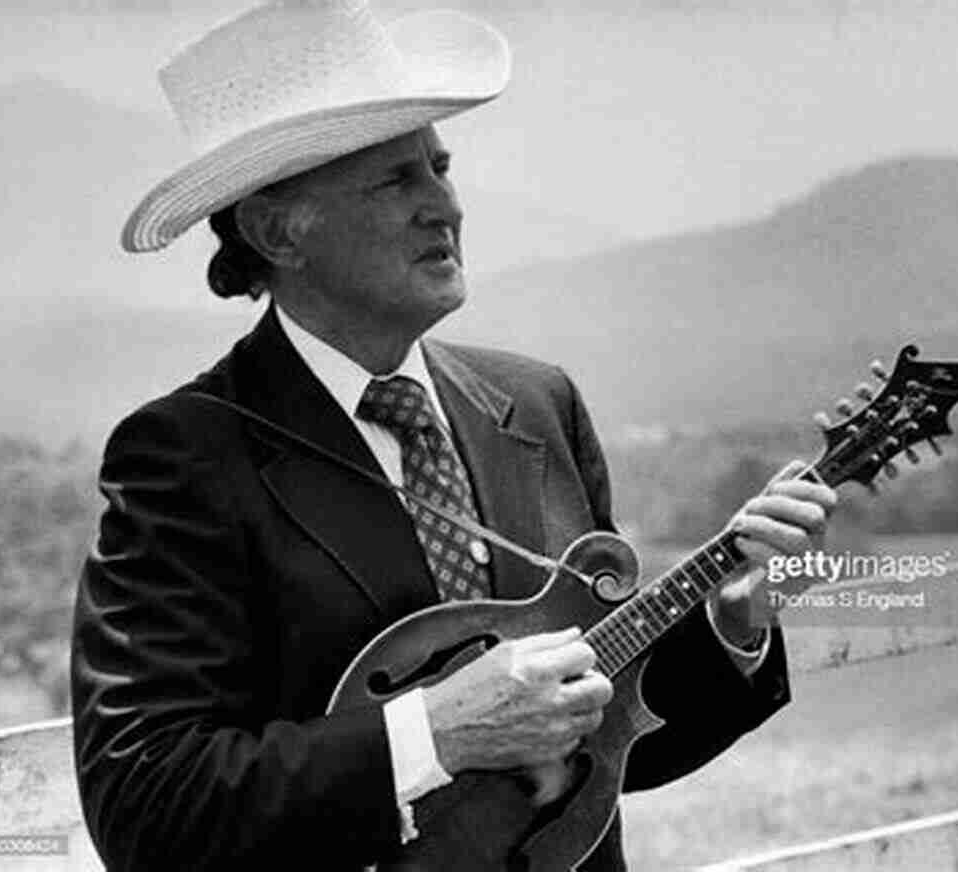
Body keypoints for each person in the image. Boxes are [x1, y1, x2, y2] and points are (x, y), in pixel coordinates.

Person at [71, 2, 837, 870]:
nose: (445, 206)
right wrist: (434, 731)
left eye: (440, 168)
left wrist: (732, 626)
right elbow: (148, 805)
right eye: (396, 180)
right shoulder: (185, 456)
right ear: (278, 229)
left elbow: (610, 748)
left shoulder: (538, 405)